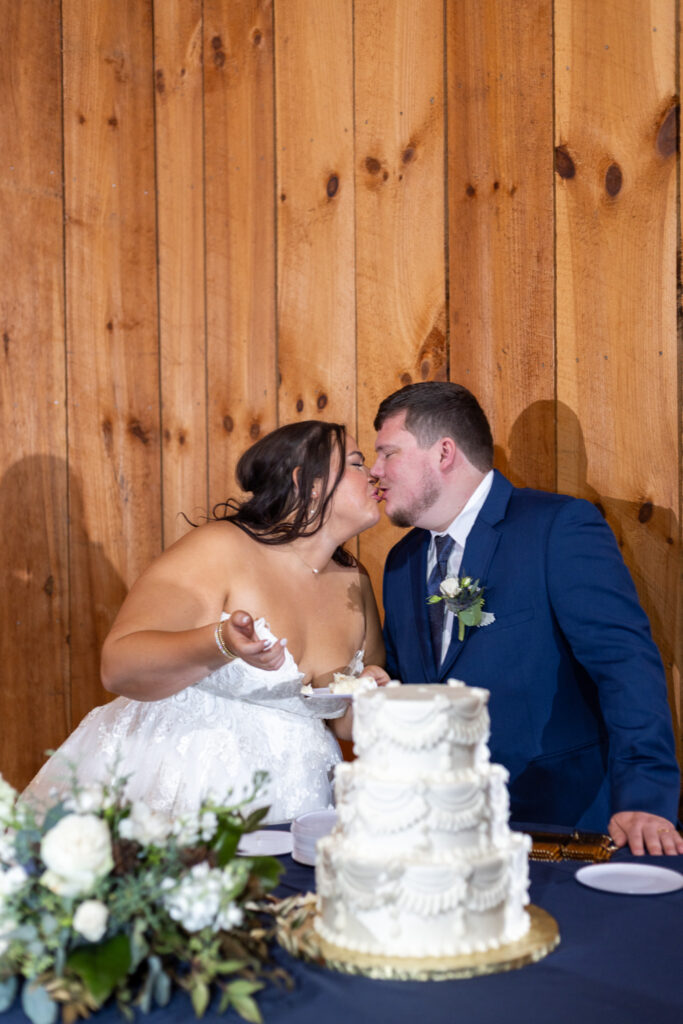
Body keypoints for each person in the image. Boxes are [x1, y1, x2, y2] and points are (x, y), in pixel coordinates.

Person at [371, 381, 682, 856]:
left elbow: (625, 664)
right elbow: (419, 682)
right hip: (442, 836)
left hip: (567, 827)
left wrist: (646, 797)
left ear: (444, 452)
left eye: (387, 453)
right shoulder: (401, 564)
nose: (376, 472)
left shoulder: (557, 528)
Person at [24, 421, 388, 823]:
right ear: (309, 483)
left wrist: (370, 694)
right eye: (357, 463)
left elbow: (342, 722)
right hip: (180, 784)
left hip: (296, 799)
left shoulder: (356, 582)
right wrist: (222, 643)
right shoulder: (221, 548)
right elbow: (118, 665)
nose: (372, 474)